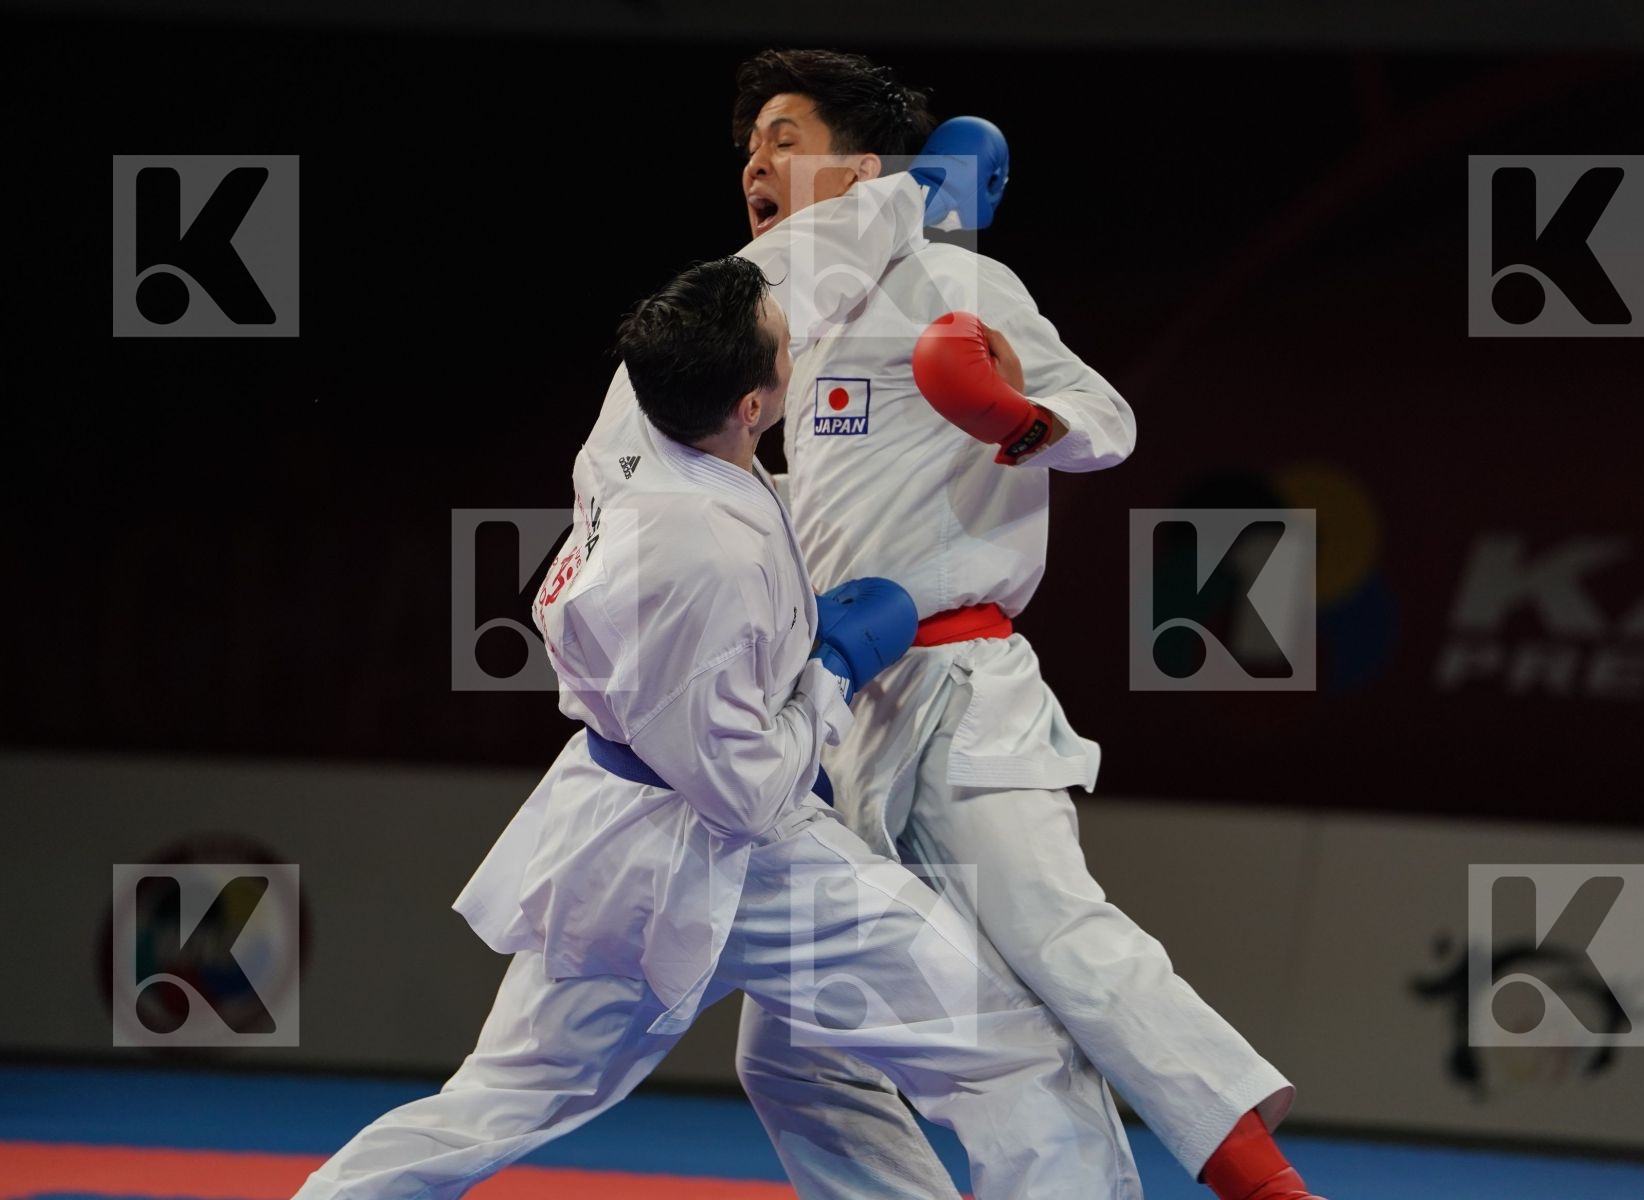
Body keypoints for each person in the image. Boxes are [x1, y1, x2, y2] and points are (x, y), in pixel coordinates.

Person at [292, 216, 1144, 1197]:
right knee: (1004, 1047)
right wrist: (828, 666)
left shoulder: (645, 445)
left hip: (617, 844)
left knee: (510, 1092)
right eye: (787, 344)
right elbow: (748, 790)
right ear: (751, 401)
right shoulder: (705, 553)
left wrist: (912, 195)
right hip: (735, 856)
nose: (798, 338)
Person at [726, 49, 1328, 1200]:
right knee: (790, 1052)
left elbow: (1109, 421)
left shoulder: (953, 281)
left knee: (1048, 930)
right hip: (837, 713)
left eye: (783, 139)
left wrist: (1017, 413)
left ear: (862, 171)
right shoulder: (774, 327)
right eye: (747, 149)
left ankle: (1259, 1176)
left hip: (963, 686)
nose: (755, 162)